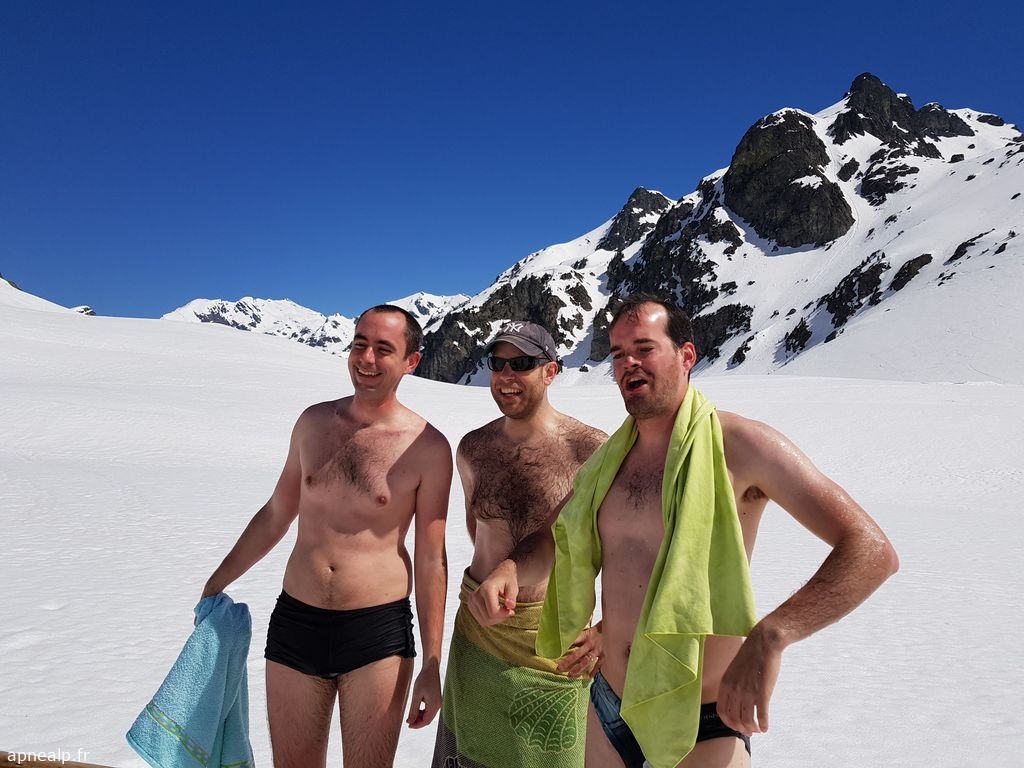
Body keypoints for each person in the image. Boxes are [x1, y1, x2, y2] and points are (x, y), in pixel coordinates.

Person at [476, 294, 899, 768]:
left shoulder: (739, 446)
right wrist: (509, 570)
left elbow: (871, 550)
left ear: (686, 355)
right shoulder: (609, 461)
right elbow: (555, 537)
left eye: (644, 348)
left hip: (706, 719)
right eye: (618, 353)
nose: (629, 363)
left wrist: (773, 634)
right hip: (609, 706)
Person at [201, 305, 452, 768]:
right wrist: (216, 584)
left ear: (411, 361)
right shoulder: (313, 423)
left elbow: (431, 558)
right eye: (360, 344)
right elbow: (276, 513)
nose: (367, 358)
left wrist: (433, 662)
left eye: (383, 349)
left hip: (377, 633)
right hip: (297, 621)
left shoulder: (428, 448)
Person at [431, 321, 607, 768]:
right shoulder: (472, 449)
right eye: (498, 363)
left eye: (522, 363)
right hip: (478, 635)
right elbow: (477, 530)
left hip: (555, 648)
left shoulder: (590, 451)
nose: (506, 375)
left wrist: (611, 629)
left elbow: (624, 551)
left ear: (550, 371)